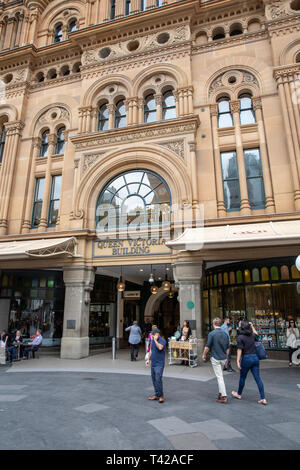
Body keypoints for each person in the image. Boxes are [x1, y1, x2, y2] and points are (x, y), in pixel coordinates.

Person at [232, 320, 267, 405]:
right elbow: (257, 334)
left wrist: (237, 361)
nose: (238, 325)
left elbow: (239, 350)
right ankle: (263, 398)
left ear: (242, 327)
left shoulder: (240, 337)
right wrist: (252, 326)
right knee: (258, 378)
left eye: (239, 324)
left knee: (243, 377)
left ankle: (239, 394)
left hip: (246, 358)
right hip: (255, 357)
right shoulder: (252, 335)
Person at [202, 317, 230, 404]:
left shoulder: (212, 334)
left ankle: (224, 396)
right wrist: (227, 358)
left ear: (213, 324)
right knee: (220, 375)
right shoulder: (225, 334)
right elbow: (228, 347)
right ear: (220, 324)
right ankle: (221, 393)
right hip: (223, 357)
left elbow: (207, 347)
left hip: (216, 358)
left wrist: (204, 354)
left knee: (219, 377)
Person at [146, 327, 166, 403]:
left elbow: (160, 348)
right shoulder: (152, 341)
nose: (152, 335)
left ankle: (161, 396)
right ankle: (157, 394)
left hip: (159, 364)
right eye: (152, 335)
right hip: (153, 363)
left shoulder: (162, 340)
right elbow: (151, 350)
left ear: (157, 334)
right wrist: (148, 359)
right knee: (154, 379)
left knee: (158, 378)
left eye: (153, 334)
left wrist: (155, 340)